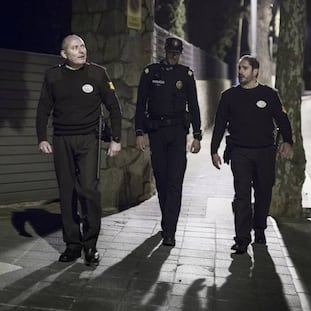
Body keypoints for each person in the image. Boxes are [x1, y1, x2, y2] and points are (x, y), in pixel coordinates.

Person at [36, 34, 122, 265]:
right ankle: (72, 245)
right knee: (67, 192)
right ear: (64, 54)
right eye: (75, 47)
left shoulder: (97, 73)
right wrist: (42, 138)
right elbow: (43, 108)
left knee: (88, 190)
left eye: (82, 46)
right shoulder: (53, 76)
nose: (81, 50)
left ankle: (90, 245)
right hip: (62, 139)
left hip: (88, 140)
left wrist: (116, 139)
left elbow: (114, 107)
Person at [210, 55, 293, 254]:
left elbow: (282, 120)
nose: (241, 72)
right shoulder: (229, 96)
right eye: (239, 68)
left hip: (265, 152)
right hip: (240, 152)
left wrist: (288, 141)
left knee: (263, 193)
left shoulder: (270, 95)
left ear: (255, 71)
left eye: (245, 68)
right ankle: (242, 239)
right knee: (242, 196)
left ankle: (260, 229)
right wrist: (214, 150)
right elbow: (220, 124)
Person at [135, 37, 202, 247]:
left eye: (177, 53)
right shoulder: (150, 73)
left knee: (174, 182)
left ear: (180, 53)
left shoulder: (186, 75)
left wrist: (197, 135)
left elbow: (194, 105)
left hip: (177, 133)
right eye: (170, 52)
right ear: (165, 51)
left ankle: (170, 230)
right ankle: (167, 221)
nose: (173, 56)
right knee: (162, 181)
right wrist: (139, 132)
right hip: (157, 132)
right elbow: (140, 104)